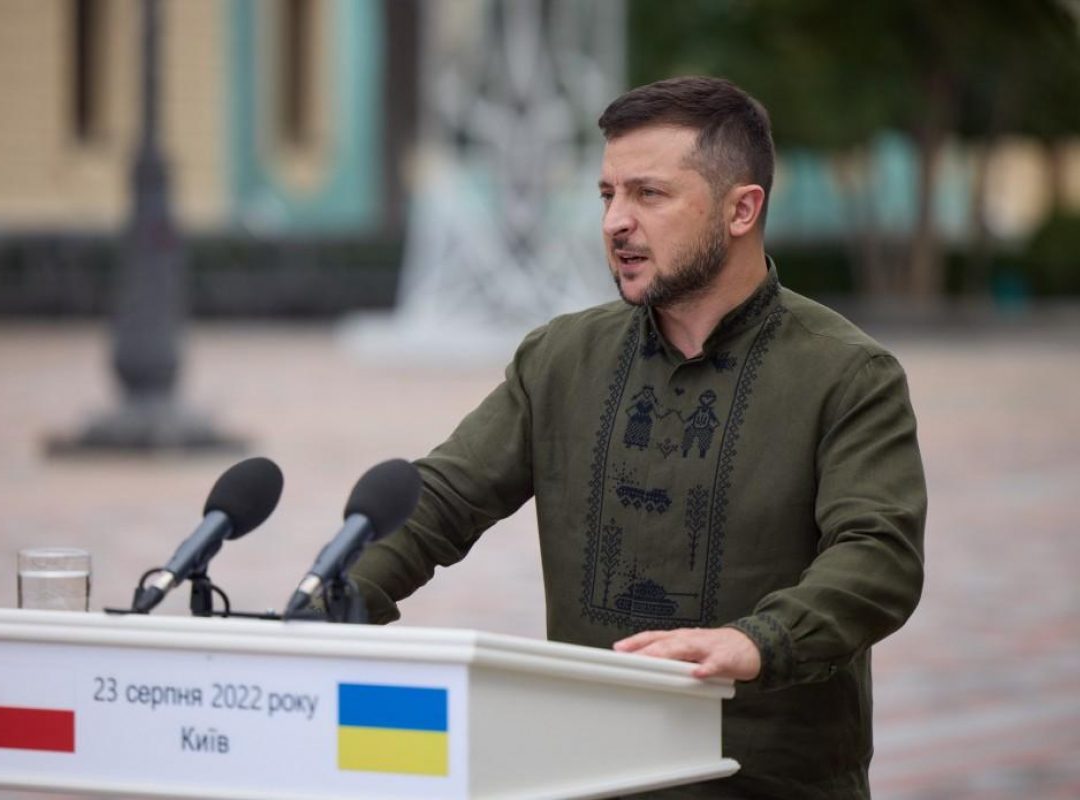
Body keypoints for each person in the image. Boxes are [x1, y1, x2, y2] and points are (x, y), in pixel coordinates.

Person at [347, 76, 927, 799]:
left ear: (742, 209)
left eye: (648, 194)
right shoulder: (560, 358)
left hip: (768, 780)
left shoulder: (848, 374)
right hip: (588, 772)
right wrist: (338, 597)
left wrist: (758, 642)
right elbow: (441, 498)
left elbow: (879, 556)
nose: (615, 222)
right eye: (607, 195)